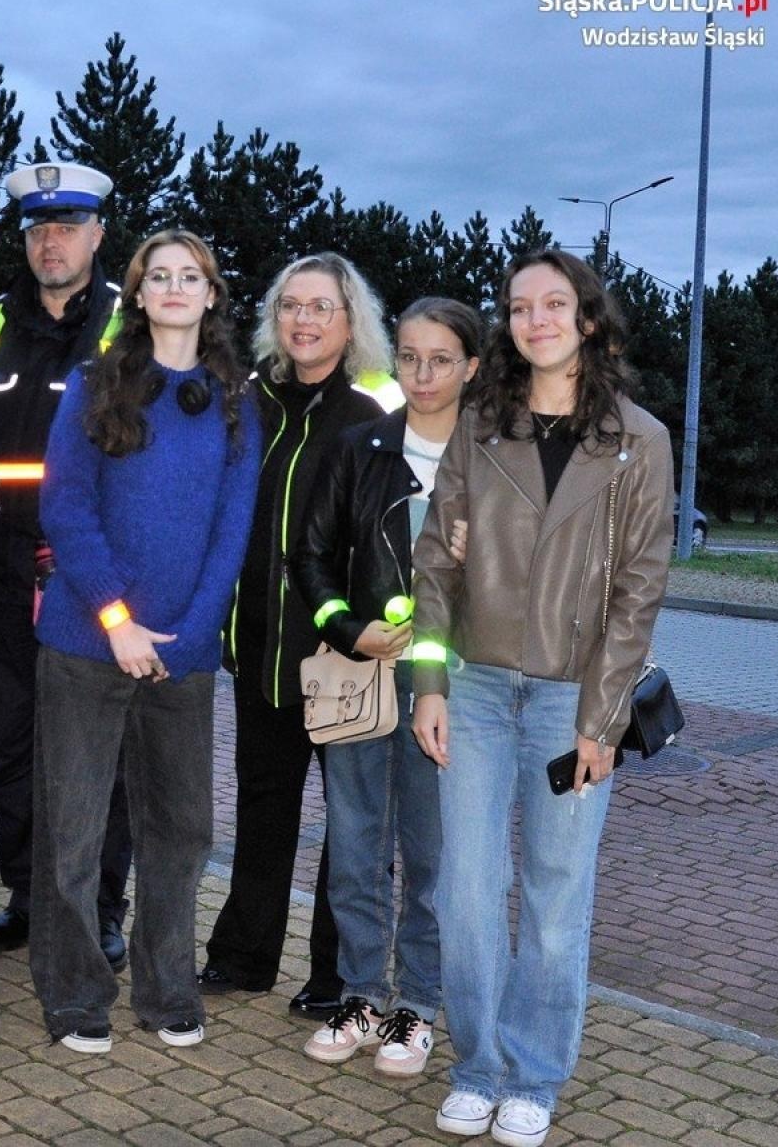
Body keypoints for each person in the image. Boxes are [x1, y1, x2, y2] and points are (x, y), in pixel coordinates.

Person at [412, 251, 672, 1146]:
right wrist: (432, 681)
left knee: (557, 896)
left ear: (587, 320)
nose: (537, 319)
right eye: (520, 307)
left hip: (573, 702)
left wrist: (603, 721)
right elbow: (435, 566)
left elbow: (639, 592)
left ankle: (534, 1075)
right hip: (477, 692)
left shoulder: (640, 440)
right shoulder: (480, 428)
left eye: (555, 304)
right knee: (468, 893)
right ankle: (477, 1066)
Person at [32, 230, 260, 1053]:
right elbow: (66, 507)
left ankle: (168, 991)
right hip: (87, 644)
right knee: (73, 829)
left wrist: (189, 634)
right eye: (156, 276)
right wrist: (118, 620)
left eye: (188, 276)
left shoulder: (237, 401)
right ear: (138, 294)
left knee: (182, 831)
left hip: (185, 654)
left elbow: (232, 531)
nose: (172, 287)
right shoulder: (97, 386)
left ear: (210, 295)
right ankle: (74, 995)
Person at [289, 296, 482, 1076]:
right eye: (409, 357)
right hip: (362, 680)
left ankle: (418, 1008)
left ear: (472, 366)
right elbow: (309, 559)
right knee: (359, 846)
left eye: (441, 359)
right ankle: (363, 995)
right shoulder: (358, 447)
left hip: (460, 688)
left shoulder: (496, 455)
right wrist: (347, 628)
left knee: (434, 856)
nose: (423, 373)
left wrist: (482, 557)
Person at [198, 252, 394, 1018]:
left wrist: (357, 628)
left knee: (350, 827)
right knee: (264, 807)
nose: (304, 320)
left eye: (321, 307)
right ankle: (244, 958)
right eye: (292, 306)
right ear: (275, 320)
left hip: (337, 658)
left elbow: (385, 548)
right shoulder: (245, 407)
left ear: (350, 326)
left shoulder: (369, 420)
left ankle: (336, 976)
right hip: (258, 652)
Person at [0, 161, 133, 968]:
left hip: (93, 582)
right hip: (2, 577)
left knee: (100, 755)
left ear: (99, 234)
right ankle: (29, 898)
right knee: (10, 748)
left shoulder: (133, 333)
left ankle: (98, 909)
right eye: (37, 228)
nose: (50, 241)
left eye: (67, 226)